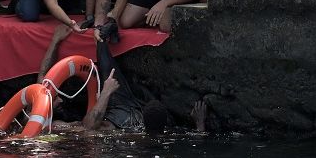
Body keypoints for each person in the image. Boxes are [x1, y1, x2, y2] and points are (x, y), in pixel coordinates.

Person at [32, 24, 203, 133]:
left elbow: (89, 127)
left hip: (121, 117)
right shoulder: (166, 132)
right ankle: (101, 39)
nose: (60, 99)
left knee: (113, 80)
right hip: (135, 113)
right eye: (56, 98)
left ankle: (101, 39)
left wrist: (106, 93)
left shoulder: (54, 127)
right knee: (114, 75)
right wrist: (200, 124)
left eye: (56, 97)